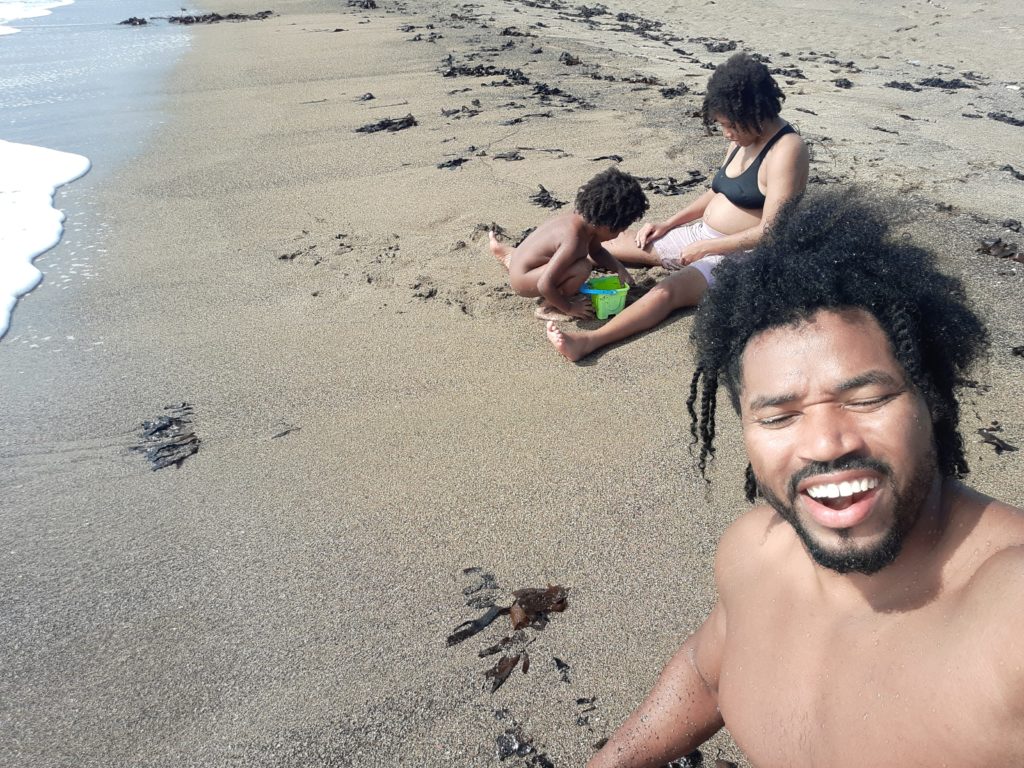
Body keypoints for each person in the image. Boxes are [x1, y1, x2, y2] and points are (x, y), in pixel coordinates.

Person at [589, 190, 1024, 767]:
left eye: (868, 398)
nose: (825, 443)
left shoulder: (1009, 611)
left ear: (932, 401)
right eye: (779, 416)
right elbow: (709, 668)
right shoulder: (752, 551)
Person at [547, 51, 809, 360]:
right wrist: (669, 224)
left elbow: (772, 231)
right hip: (702, 234)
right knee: (611, 244)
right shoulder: (742, 138)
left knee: (668, 291)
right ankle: (528, 262)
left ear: (754, 112)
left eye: (729, 126)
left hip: (743, 256)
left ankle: (589, 342)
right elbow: (717, 192)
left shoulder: (787, 150)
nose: (726, 133)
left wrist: (709, 249)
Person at [489, 167, 648, 321]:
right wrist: (569, 308)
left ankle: (508, 256)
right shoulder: (574, 241)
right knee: (582, 267)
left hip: (522, 259)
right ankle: (548, 308)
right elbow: (544, 284)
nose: (620, 234)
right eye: (619, 230)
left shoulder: (585, 220)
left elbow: (597, 252)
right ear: (605, 224)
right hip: (524, 282)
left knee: (559, 261)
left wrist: (619, 269)